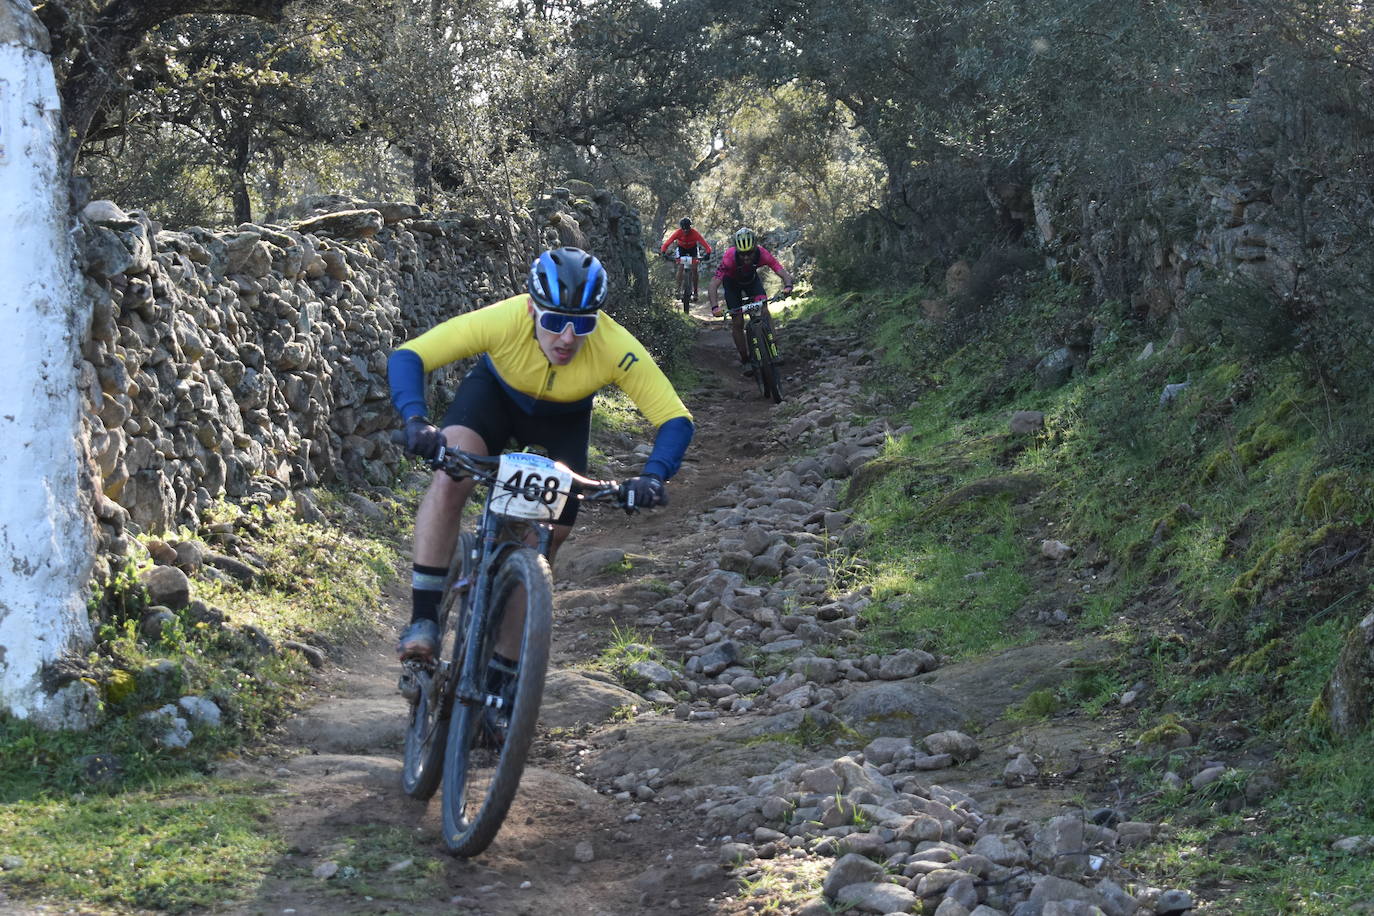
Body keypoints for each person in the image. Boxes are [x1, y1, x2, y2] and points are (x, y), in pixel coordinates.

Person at [387, 247, 695, 663]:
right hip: (492, 400)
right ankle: (423, 618)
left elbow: (675, 417)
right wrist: (416, 420)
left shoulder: (612, 345)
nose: (567, 338)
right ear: (532, 309)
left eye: (582, 325)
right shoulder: (504, 319)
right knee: (451, 475)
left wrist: (654, 475)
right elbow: (411, 355)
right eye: (554, 322)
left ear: (597, 321)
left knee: (543, 541)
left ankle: (505, 671)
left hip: (562, 421)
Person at [707, 227, 795, 373]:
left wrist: (788, 285)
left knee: (764, 311)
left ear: (755, 249)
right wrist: (715, 307)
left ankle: (774, 350)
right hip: (732, 285)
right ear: (737, 251)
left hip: (752, 283)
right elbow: (713, 284)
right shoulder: (729, 258)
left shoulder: (762, 254)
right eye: (742, 254)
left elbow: (779, 269)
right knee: (738, 322)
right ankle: (745, 359)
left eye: (749, 253)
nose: (746, 258)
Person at [659, 217, 713, 310]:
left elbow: (706, 246)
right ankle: (678, 290)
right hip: (681, 249)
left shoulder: (695, 233)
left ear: (690, 228)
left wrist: (708, 253)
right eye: (683, 230)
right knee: (680, 267)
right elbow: (667, 243)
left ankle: (695, 292)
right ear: (681, 228)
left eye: (687, 230)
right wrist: (663, 252)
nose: (685, 232)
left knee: (695, 269)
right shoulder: (678, 232)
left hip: (693, 250)